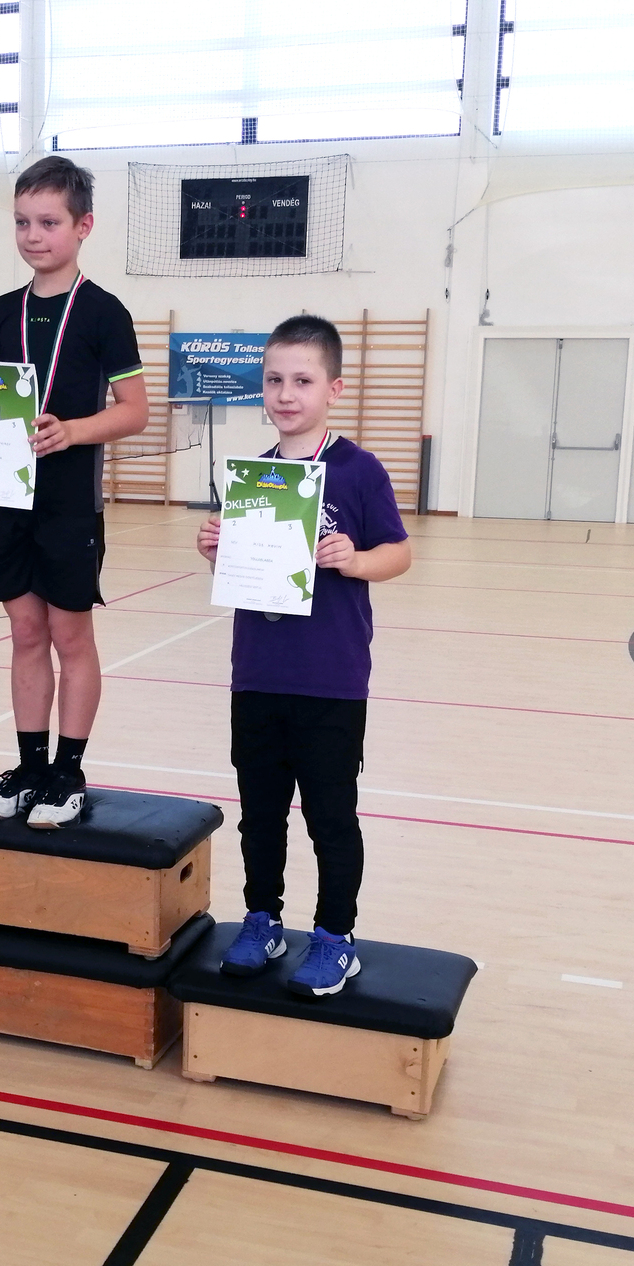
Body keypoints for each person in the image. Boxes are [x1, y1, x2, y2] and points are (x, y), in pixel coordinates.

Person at [195, 314, 412, 997]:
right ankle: (261, 920)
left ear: (333, 389)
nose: (286, 394)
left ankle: (335, 937)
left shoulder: (358, 470)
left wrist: (356, 558)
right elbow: (247, 574)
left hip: (331, 680)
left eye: (302, 381)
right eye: (274, 380)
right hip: (258, 675)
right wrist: (216, 552)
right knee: (260, 814)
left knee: (330, 818)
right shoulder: (254, 477)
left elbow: (399, 553)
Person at [0, 155, 149, 828]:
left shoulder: (104, 312)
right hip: (6, 497)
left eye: (49, 222)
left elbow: (136, 411)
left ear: (83, 226)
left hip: (68, 503)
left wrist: (73, 431)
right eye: (22, 222)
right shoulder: (1, 312)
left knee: (69, 634)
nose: (33, 235)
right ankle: (30, 766)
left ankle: (68, 771)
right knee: (24, 630)